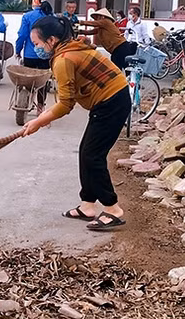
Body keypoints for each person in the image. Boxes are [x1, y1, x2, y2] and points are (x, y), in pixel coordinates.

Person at [22, 15, 130, 231]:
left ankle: (112, 209)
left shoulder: (64, 59)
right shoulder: (72, 48)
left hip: (111, 103)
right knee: (86, 152)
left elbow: (66, 104)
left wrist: (39, 122)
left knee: (93, 156)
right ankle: (87, 205)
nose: (36, 49)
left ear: (51, 40)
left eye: (36, 44)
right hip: (111, 100)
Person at [16, 0, 53, 109]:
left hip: (29, 55)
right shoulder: (52, 17)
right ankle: (40, 107)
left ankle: (27, 100)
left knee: (28, 80)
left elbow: (22, 35)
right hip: (45, 55)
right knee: (42, 82)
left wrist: (18, 50)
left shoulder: (27, 16)